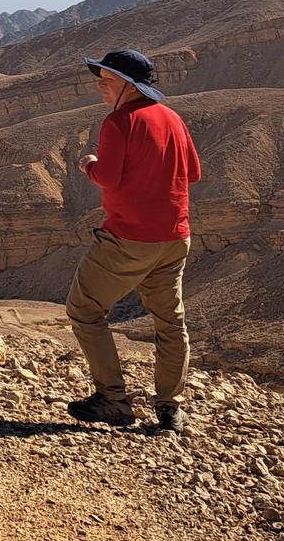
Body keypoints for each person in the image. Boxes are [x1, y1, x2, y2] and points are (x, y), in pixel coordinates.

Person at [64, 47, 202, 433]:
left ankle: (113, 400)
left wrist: (90, 165)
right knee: (170, 322)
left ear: (129, 84)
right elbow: (192, 172)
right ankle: (170, 407)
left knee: (84, 309)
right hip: (175, 237)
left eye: (107, 80)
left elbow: (107, 178)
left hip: (129, 239)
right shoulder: (172, 118)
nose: (100, 86)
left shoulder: (119, 122)